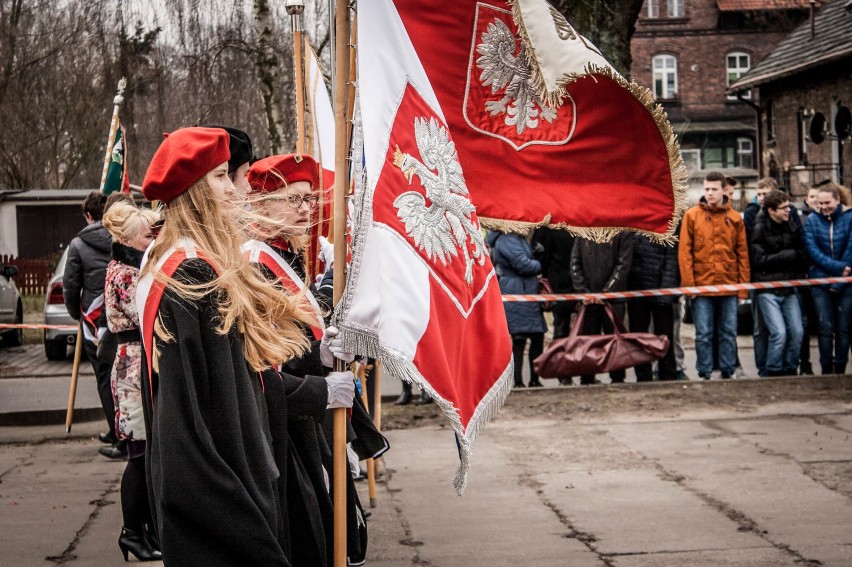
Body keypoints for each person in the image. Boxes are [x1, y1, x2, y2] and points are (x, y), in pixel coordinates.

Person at [138, 126, 354, 566]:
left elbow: (240, 383)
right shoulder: (189, 276)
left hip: (239, 480)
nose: (237, 189)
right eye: (220, 177)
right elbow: (192, 424)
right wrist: (239, 517)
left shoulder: (194, 266)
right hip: (222, 500)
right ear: (195, 191)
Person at [245, 153, 378, 565]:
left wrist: (321, 351)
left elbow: (294, 339)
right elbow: (266, 356)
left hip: (304, 412)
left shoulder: (286, 253)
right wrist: (318, 373)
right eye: (294, 199)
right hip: (283, 418)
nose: (306, 209)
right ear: (263, 204)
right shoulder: (256, 261)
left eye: (308, 199)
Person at [101, 201, 162, 562]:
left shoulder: (129, 267)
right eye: (146, 237)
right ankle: (131, 531)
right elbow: (145, 311)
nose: (150, 241)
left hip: (138, 363)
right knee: (138, 455)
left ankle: (147, 528)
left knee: (147, 454)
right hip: (132, 369)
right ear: (129, 239)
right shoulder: (124, 274)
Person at [62, 191, 125, 459]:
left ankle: (119, 435)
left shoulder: (77, 245)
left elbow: (70, 285)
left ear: (88, 216)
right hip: (119, 313)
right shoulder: (121, 233)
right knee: (122, 377)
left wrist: (76, 313)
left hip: (93, 319)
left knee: (104, 378)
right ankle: (119, 431)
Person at [679, 171, 750, 380]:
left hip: (728, 285)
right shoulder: (692, 216)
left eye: (714, 189)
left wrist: (742, 289)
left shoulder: (735, 218)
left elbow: (742, 255)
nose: (710, 193)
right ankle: (705, 371)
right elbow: (685, 253)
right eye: (707, 189)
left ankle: (728, 370)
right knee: (703, 334)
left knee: (728, 332)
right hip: (701, 287)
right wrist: (689, 287)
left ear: (723, 190)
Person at [750, 190, 808, 376]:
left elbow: (802, 252)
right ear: (771, 211)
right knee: (779, 333)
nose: (788, 210)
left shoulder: (791, 224)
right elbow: (758, 260)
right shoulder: (759, 229)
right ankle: (773, 370)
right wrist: (786, 256)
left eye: (789, 206)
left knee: (797, 332)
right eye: (783, 208)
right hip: (767, 288)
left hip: (788, 286)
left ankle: (790, 368)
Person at [570, 232, 634, 385]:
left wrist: (606, 293)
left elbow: (623, 264)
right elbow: (575, 262)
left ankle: (617, 377)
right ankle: (587, 377)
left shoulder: (621, 232)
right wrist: (584, 292)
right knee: (588, 338)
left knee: (614, 339)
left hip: (614, 299)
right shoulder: (583, 233)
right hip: (589, 299)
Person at [803, 182, 852, 375]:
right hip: (821, 280)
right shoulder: (812, 220)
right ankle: (826, 368)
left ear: (838, 200)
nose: (823, 207)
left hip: (846, 283)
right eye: (820, 203)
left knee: (844, 327)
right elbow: (812, 250)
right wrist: (839, 269)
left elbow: (850, 247)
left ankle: (840, 368)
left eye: (827, 203)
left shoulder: (849, 218)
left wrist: (840, 279)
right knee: (825, 326)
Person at [487, 229, 546, 388]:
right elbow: (523, 265)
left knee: (533, 336)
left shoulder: (514, 238)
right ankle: (520, 381)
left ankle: (531, 379)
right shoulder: (508, 240)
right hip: (518, 291)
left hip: (522, 291)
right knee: (522, 337)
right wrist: (540, 263)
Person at [627, 234, 679, 381]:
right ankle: (643, 376)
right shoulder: (631, 221)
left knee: (665, 335)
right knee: (638, 335)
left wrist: (666, 292)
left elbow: (672, 258)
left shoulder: (667, 218)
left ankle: (667, 374)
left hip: (660, 288)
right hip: (636, 289)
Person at [532, 226, 576, 385]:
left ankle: (564, 372)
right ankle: (566, 372)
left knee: (563, 330)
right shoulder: (569, 224)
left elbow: (541, 256)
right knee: (566, 329)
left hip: (561, 283)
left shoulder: (547, 227)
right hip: (567, 283)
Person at [796, 185, 822, 375]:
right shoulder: (800, 218)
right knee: (803, 323)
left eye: (817, 197)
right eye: (812, 196)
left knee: (824, 324)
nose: (814, 200)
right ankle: (805, 363)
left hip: (823, 278)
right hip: (804, 278)